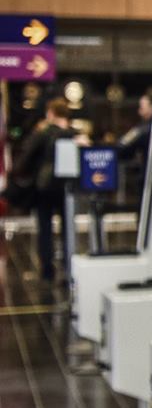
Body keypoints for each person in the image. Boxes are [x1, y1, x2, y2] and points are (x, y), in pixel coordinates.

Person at [11, 100, 72, 280]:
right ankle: (68, 266)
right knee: (67, 227)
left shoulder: (42, 133)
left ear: (51, 112)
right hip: (67, 188)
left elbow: (25, 158)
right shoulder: (74, 134)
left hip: (44, 187)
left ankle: (47, 269)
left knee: (45, 227)